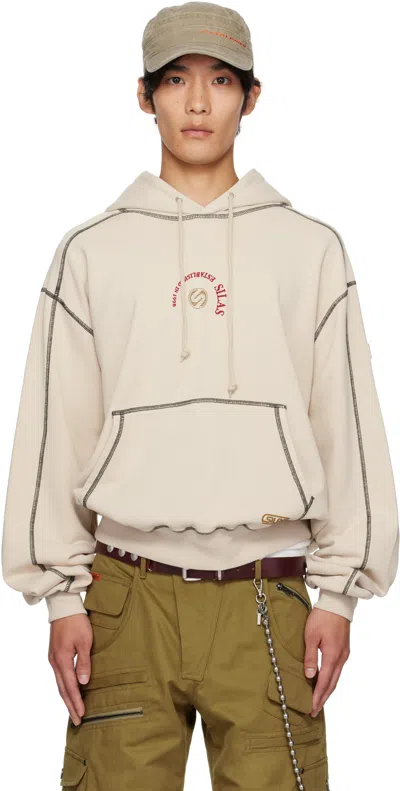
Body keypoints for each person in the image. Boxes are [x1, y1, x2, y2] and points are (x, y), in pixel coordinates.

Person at [2, 2, 398, 789]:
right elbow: (57, 428)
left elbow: (345, 423)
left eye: (220, 81)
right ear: (143, 95)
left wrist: (341, 596)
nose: (196, 102)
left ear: (252, 97)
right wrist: (61, 600)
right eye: (175, 79)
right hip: (124, 598)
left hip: (267, 594)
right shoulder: (91, 252)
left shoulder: (310, 250)